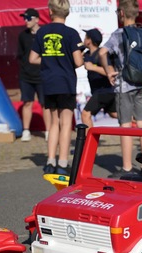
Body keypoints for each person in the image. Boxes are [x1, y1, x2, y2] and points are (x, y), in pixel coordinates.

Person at [29, 0, 84, 175]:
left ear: (50, 11)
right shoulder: (71, 33)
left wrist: (48, 61)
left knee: (53, 123)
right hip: (66, 81)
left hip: (49, 81)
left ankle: (50, 161)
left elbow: (32, 59)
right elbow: (78, 61)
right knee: (66, 123)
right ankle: (62, 162)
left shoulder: (42, 32)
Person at [99, 0, 142, 177]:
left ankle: (127, 168)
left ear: (121, 14)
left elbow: (102, 52)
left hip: (125, 84)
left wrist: (108, 71)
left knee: (126, 125)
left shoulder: (118, 34)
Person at [16, 8, 51, 142]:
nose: (26, 21)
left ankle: (48, 131)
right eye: (24, 18)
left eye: (28, 18)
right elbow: (20, 55)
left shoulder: (44, 34)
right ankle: (26, 130)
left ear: (37, 19)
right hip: (26, 76)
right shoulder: (22, 35)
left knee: (45, 104)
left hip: (42, 75)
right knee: (27, 102)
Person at [81, 28, 117, 129]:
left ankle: (89, 143)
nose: (83, 39)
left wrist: (93, 67)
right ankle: (140, 121)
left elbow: (111, 71)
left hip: (104, 92)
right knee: (114, 114)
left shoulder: (101, 53)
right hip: (103, 92)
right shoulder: (87, 54)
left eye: (85, 37)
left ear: (89, 41)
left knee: (85, 114)